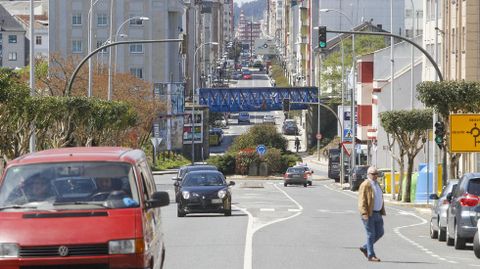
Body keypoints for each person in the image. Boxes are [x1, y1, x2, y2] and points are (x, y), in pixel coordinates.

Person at [358, 166, 385, 262]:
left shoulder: (377, 184)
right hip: (369, 214)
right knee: (371, 234)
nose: (376, 176)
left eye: (377, 174)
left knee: (380, 233)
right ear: (368, 174)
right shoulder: (365, 185)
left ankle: (366, 247)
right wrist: (364, 213)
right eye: (373, 174)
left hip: (378, 213)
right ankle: (371, 255)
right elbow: (362, 200)